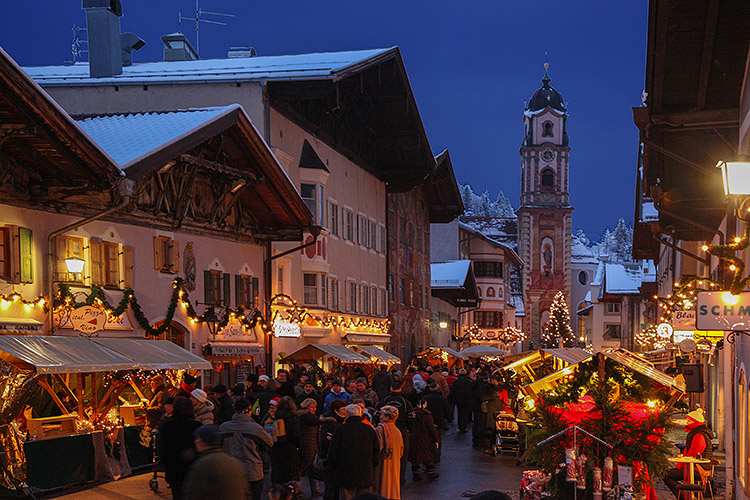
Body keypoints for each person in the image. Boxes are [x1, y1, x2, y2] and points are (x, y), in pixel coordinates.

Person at [220, 398, 274, 500]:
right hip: (252, 472)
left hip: (230, 471)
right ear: (249, 411)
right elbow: (269, 443)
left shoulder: (224, 427)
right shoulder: (255, 428)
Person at [327, 404, 380, 500]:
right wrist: (373, 464)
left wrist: (332, 466)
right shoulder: (369, 429)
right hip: (365, 469)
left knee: (346, 495)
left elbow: (333, 451)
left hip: (345, 470)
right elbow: (376, 450)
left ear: (347, 414)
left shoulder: (340, 429)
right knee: (364, 496)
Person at [182, 424, 247, 500]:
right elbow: (245, 491)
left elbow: (194, 493)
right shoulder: (234, 462)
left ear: (200, 441)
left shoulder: (203, 464)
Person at [157, 397, 201, 500]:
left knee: (177, 495)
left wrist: (166, 465)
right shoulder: (196, 426)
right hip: (192, 468)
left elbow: (161, 449)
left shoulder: (166, 426)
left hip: (174, 468)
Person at [663, 408, 714, 497]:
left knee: (666, 475)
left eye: (689, 420)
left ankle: (682, 496)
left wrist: (681, 463)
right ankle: (684, 495)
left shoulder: (699, 435)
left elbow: (693, 454)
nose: (687, 422)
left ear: (695, 422)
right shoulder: (696, 433)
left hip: (698, 469)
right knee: (667, 473)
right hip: (696, 467)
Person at [378, 381, 415, 484]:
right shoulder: (405, 402)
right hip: (402, 430)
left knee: (386, 454)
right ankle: (400, 478)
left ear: (391, 388)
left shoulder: (385, 401)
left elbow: (377, 412)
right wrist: (409, 429)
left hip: (385, 429)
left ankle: (387, 477)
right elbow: (411, 417)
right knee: (402, 455)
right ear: (401, 388)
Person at [297, 398, 331, 497]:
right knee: (306, 468)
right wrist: (329, 418)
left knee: (310, 467)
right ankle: (303, 489)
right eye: (312, 407)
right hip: (308, 445)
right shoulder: (306, 416)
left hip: (310, 444)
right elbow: (318, 420)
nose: (314, 409)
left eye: (315, 407)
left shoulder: (302, 416)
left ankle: (313, 488)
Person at [268, 396, 302, 487]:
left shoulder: (274, 417)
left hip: (276, 446)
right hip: (289, 448)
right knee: (290, 473)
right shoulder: (293, 418)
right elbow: (296, 435)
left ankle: (276, 491)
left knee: (277, 470)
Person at [374, 406, 403, 500]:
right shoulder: (398, 431)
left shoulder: (380, 429)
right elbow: (401, 451)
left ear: (386, 417)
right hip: (395, 465)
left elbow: (377, 448)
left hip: (383, 465)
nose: (380, 417)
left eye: (381, 415)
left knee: (383, 488)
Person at [320, 399, 348, 500]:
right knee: (330, 486)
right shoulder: (330, 423)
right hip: (330, 459)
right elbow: (326, 441)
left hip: (337, 459)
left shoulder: (342, 422)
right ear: (336, 410)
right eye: (343, 409)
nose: (345, 411)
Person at [409, 399, 439, 481]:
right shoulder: (427, 415)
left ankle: (416, 474)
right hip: (425, 438)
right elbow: (431, 429)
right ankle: (430, 472)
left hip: (413, 438)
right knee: (427, 456)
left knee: (414, 457)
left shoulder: (411, 414)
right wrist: (435, 439)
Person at [420, 382, 449, 462]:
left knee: (428, 438)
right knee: (437, 437)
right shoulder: (442, 398)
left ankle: (428, 455)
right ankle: (436, 455)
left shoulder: (425, 398)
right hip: (439, 420)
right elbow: (447, 409)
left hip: (427, 420)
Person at [449, 368, 473, 433]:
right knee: (465, 414)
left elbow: (452, 391)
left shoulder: (456, 382)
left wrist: (450, 399)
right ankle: (463, 427)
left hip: (458, 400)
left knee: (460, 413)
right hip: (467, 400)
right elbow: (472, 392)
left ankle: (460, 426)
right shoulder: (469, 382)